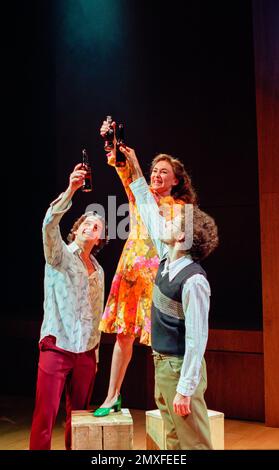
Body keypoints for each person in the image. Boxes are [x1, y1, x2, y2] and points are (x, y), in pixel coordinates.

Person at [94, 121, 197, 416]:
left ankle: (167, 402)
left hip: (158, 279)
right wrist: (112, 143)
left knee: (159, 341)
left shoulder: (181, 209)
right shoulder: (140, 196)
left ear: (176, 180)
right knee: (123, 335)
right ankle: (111, 396)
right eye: (154, 169)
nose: (156, 173)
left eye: (164, 171)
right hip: (130, 274)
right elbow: (125, 170)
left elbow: (183, 245)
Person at [123, 145, 219, 449]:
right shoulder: (167, 259)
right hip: (162, 365)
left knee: (195, 445)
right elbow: (148, 209)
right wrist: (135, 165)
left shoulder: (193, 281)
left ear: (182, 236)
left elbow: (197, 339)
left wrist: (185, 389)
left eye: (173, 223)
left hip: (179, 368)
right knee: (175, 444)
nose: (165, 224)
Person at [29, 164, 108, 450]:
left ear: (100, 238)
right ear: (75, 231)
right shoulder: (59, 255)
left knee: (80, 419)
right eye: (86, 223)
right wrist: (72, 189)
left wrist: (95, 354)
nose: (91, 226)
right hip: (57, 345)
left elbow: (96, 315)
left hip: (86, 351)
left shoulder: (98, 271)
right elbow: (49, 224)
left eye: (97, 226)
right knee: (45, 415)